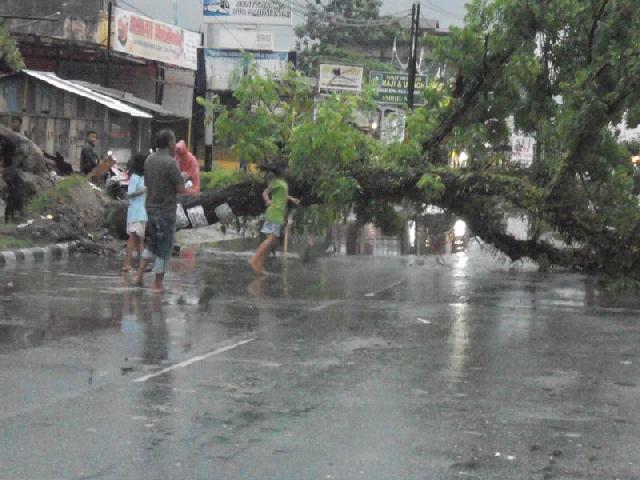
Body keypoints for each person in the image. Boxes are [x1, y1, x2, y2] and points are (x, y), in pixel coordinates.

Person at [135, 130, 185, 293]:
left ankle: (139, 276)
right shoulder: (171, 163)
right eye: (174, 142)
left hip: (150, 208)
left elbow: (148, 182)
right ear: (170, 144)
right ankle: (157, 283)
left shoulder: (149, 160)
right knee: (164, 248)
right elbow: (180, 188)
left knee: (152, 244)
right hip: (166, 210)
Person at [248, 162, 300, 275]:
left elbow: (283, 195)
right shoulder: (276, 182)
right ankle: (254, 260)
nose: (287, 172)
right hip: (275, 213)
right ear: (282, 172)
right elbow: (265, 193)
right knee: (271, 240)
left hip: (277, 213)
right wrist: (267, 201)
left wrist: (292, 199)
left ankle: (259, 263)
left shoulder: (282, 184)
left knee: (273, 241)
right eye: (286, 170)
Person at [122, 153, 148, 272]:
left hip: (142, 211)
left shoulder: (143, 177)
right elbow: (130, 194)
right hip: (136, 212)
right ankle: (127, 264)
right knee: (133, 238)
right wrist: (143, 190)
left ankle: (143, 264)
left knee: (140, 239)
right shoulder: (135, 177)